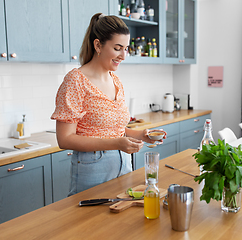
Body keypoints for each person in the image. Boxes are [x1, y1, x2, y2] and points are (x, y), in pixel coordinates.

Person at [51, 13, 166, 196]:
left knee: (121, 219)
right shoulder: (75, 81)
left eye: (126, 49)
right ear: (98, 45)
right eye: (117, 48)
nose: (123, 56)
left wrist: (142, 135)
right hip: (93, 169)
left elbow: (115, 129)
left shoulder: (116, 81)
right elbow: (64, 139)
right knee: (90, 223)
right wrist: (116, 144)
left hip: (123, 165)